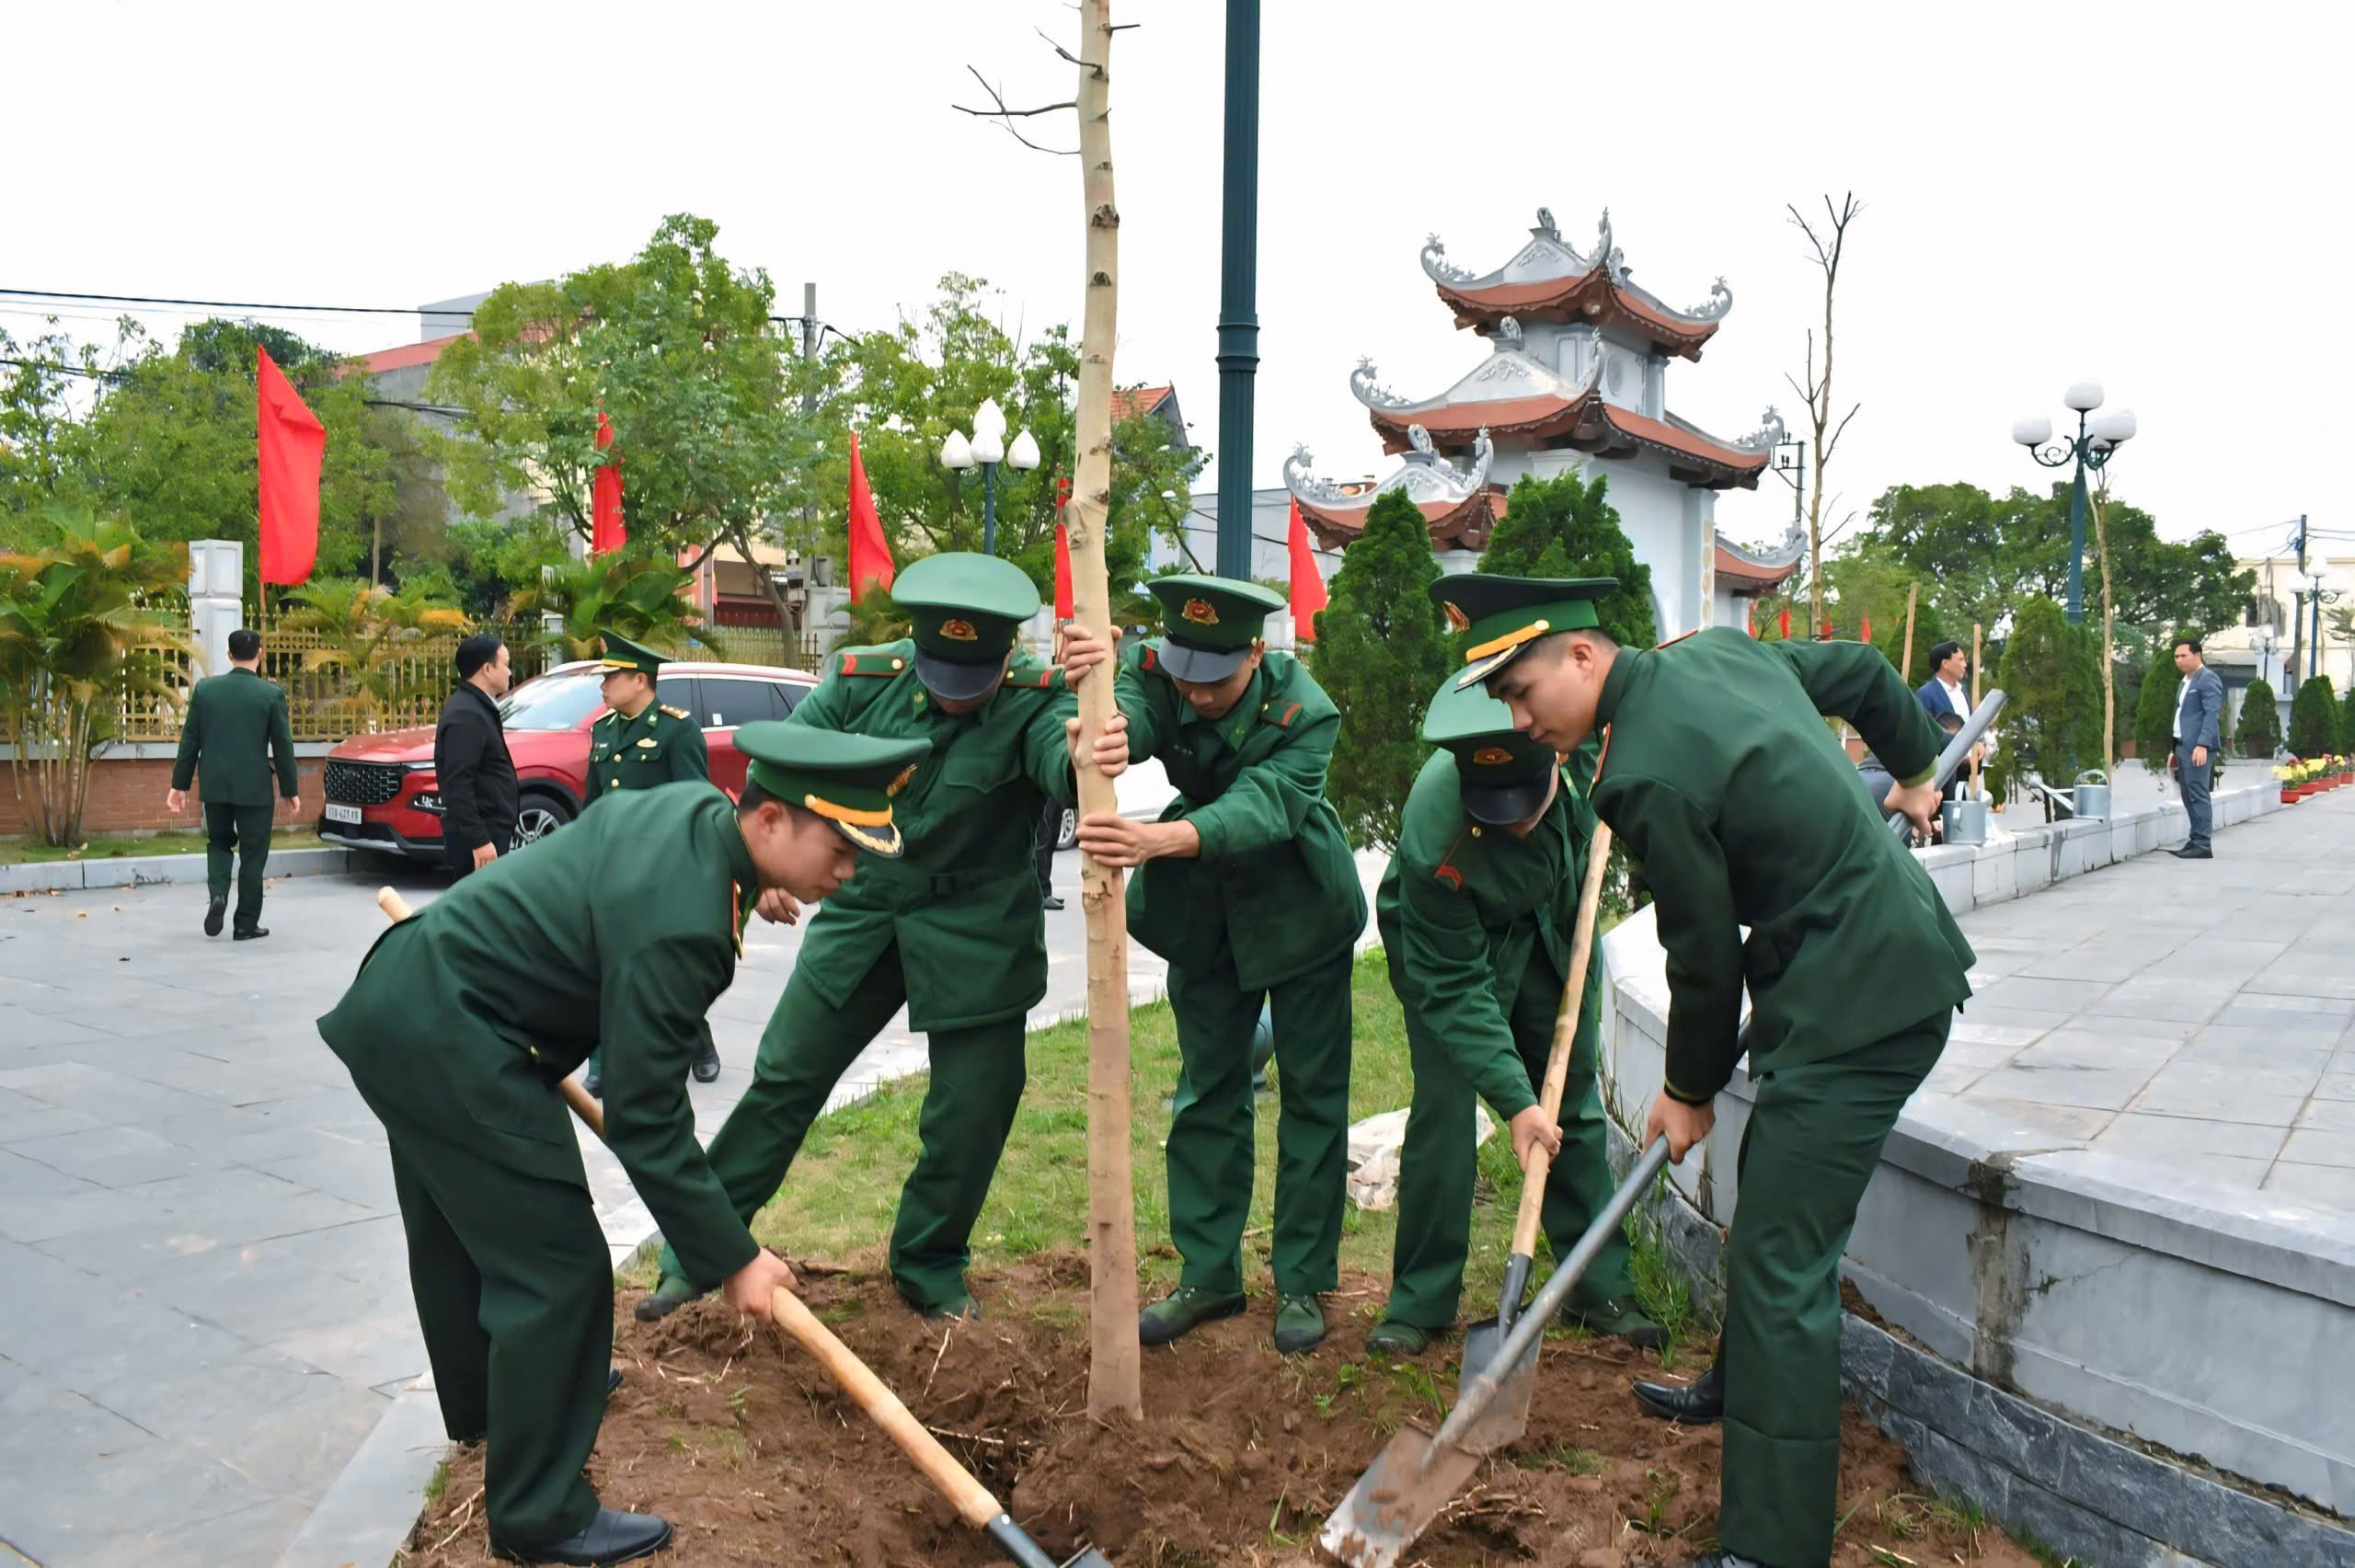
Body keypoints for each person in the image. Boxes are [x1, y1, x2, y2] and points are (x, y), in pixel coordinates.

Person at [1456, 573, 1972, 1568]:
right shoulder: (1715, 652)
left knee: (1782, 1258)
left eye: (1523, 692)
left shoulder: (1638, 773)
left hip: (1863, 1000)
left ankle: (1771, 1548)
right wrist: (1911, 768)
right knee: (1768, 1207)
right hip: (1851, 966)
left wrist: (1686, 1090)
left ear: (1581, 655)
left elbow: (1703, 956)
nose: (1521, 721)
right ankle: (1746, 1389)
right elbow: (1863, 673)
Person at [316, 724, 925, 1567]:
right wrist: (733, 1255)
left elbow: (651, 891)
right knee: (557, 1268)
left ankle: (502, 1404)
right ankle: (540, 1514)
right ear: (772, 820)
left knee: (466, 1233)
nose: (851, 869)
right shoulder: (687, 921)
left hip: (409, 1000)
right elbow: (645, 1114)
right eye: (841, 845)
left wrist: (754, 888)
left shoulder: (693, 816)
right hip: (459, 1039)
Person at [635, 553, 1127, 1324]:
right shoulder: (864, 679)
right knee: (785, 1077)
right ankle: (698, 1251)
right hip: (866, 904)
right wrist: (759, 865)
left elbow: (1065, 768)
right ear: (915, 643)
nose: (953, 695)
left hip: (978, 925)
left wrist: (1096, 716)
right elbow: (779, 767)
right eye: (939, 674)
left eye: (974, 679)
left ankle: (929, 1259)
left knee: (975, 1104)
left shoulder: (1034, 697)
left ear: (1007, 656)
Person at [1059, 575, 1366, 1356]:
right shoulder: (1173, 677)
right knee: (1207, 1091)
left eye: (1216, 677)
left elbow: (1266, 806)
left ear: (1257, 653)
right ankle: (1208, 1274)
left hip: (1300, 907)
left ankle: (1299, 1278)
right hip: (1208, 918)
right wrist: (1109, 711)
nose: (1196, 692)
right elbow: (1137, 704)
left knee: (1312, 1099)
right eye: (1184, 671)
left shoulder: (1309, 711)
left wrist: (1156, 841)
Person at [1365, 670, 1662, 1356]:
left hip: (1555, 933)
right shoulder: (1433, 834)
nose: (1517, 821)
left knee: (1573, 1102)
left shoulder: (1589, 749)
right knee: (1444, 1106)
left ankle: (1599, 1287)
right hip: (1453, 950)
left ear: (1553, 751)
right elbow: (1455, 990)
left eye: (1526, 802)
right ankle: (1419, 1299)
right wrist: (1515, 1104)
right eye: (1496, 808)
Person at [581, 630, 714, 1091]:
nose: (603, 686)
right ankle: (600, 1062)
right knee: (602, 963)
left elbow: (695, 804)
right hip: (611, 870)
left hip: (661, 872)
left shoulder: (678, 730)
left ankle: (698, 1039)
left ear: (640, 680)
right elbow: (592, 807)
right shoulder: (602, 731)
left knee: (667, 967)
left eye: (611, 677)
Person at [166, 627, 300, 941]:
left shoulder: (206, 690)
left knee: (219, 843)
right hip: (255, 789)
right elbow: (283, 746)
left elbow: (190, 741)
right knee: (253, 854)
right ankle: (245, 923)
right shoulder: (270, 695)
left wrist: (179, 785)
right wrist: (290, 790)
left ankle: (218, 895)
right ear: (260, 654)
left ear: (229, 655)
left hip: (215, 786)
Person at [435, 633, 518, 878]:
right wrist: (479, 840)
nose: (510, 672)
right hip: (479, 837)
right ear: (487, 669)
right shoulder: (467, 714)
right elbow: (457, 784)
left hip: (488, 831)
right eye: (506, 664)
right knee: (479, 914)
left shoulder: (477, 706)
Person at [2170, 635, 2223, 861]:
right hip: (2182, 747)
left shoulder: (2207, 678)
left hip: (2198, 748)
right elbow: (2180, 716)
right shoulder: (2185, 681)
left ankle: (2203, 844)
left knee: (2198, 793)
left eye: (2183, 655)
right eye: (2176, 656)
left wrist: (2202, 744)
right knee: (2187, 794)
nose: (2179, 660)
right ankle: (2195, 840)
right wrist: (2173, 750)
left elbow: (2212, 714)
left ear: (2197, 655)